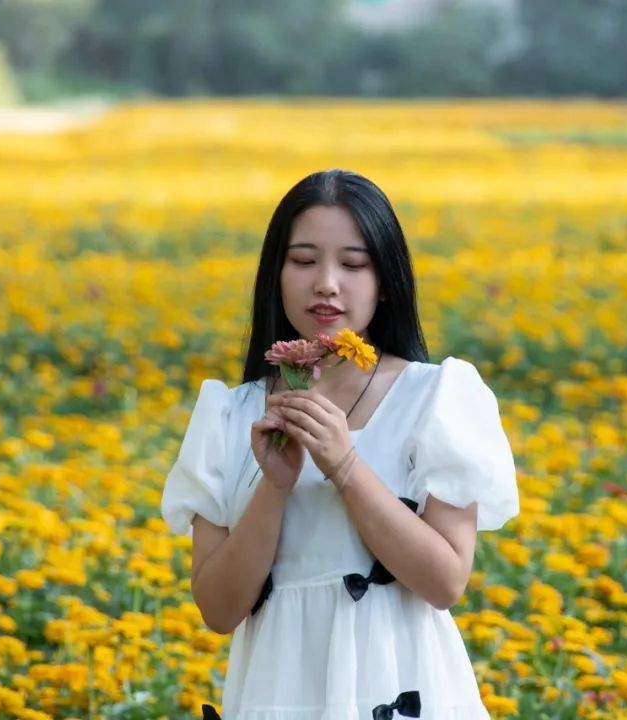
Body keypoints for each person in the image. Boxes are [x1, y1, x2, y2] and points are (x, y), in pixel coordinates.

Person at [161, 169, 520, 719]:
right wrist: (275, 487)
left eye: (353, 264)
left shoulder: (437, 397)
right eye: (303, 261)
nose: (327, 283)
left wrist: (344, 464)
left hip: (406, 682)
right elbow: (218, 608)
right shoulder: (230, 415)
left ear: (385, 280)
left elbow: (445, 581)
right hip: (279, 692)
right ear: (275, 274)